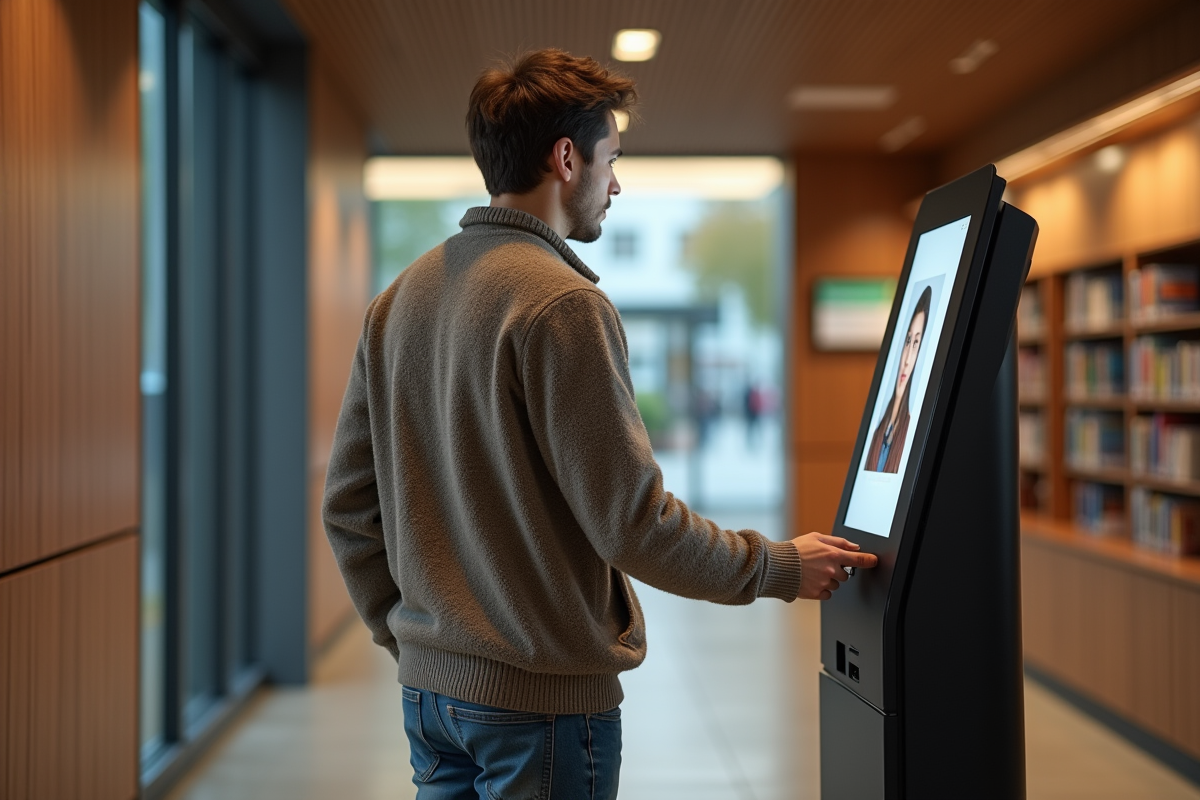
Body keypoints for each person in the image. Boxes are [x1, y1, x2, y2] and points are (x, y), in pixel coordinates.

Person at [322, 48, 877, 800]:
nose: (616, 184)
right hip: (540, 711)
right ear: (566, 159)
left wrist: (414, 640)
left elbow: (348, 509)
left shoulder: (399, 300)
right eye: (611, 159)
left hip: (431, 700)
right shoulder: (561, 304)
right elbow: (632, 523)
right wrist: (775, 566)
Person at [865, 286, 932, 473]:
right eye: (908, 341)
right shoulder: (878, 429)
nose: (907, 359)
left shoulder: (910, 431)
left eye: (916, 343)